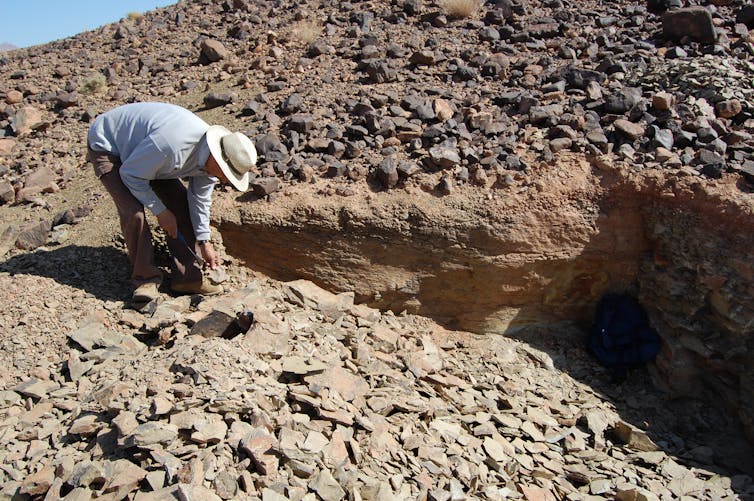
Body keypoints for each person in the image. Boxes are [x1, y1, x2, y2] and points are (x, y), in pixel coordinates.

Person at [86, 102, 257, 302]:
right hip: (109, 145)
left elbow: (199, 201)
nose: (226, 180)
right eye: (228, 174)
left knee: (181, 204)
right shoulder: (170, 147)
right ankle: (145, 279)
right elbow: (131, 174)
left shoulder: (209, 167)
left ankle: (187, 279)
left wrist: (204, 241)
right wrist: (160, 211)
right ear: (219, 160)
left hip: (147, 155)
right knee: (134, 213)